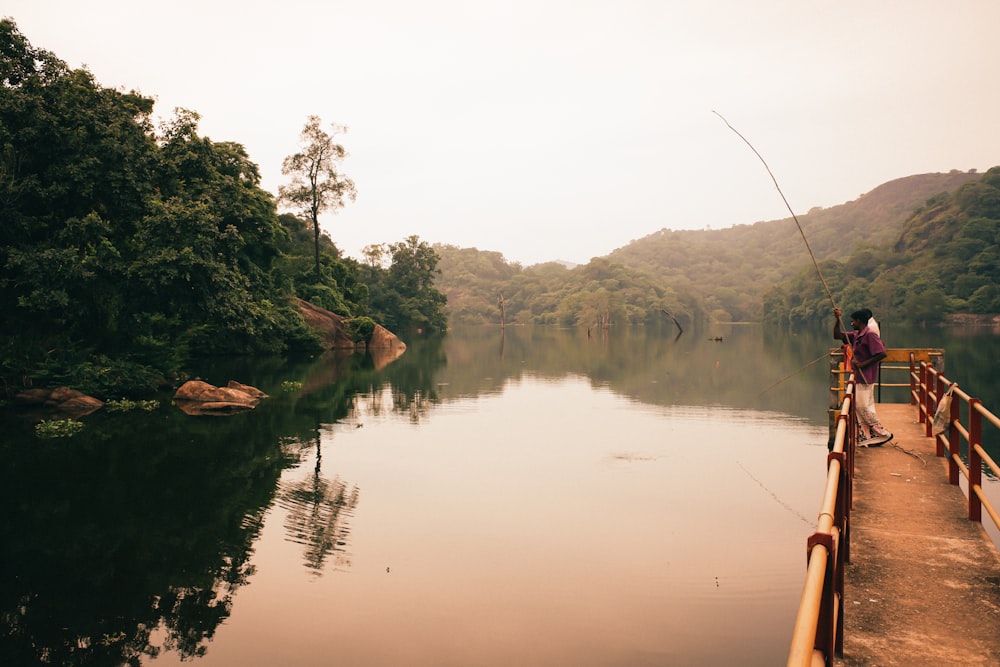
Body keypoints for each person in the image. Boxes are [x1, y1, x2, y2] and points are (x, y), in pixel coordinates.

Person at [833, 307, 893, 446]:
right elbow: (837, 335)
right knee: (860, 408)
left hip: (866, 376)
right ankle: (868, 436)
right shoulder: (856, 335)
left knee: (862, 407)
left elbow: (882, 353)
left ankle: (883, 433)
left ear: (859, 321)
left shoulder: (870, 335)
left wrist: (862, 364)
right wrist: (837, 319)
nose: (851, 323)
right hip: (860, 377)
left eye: (853, 321)